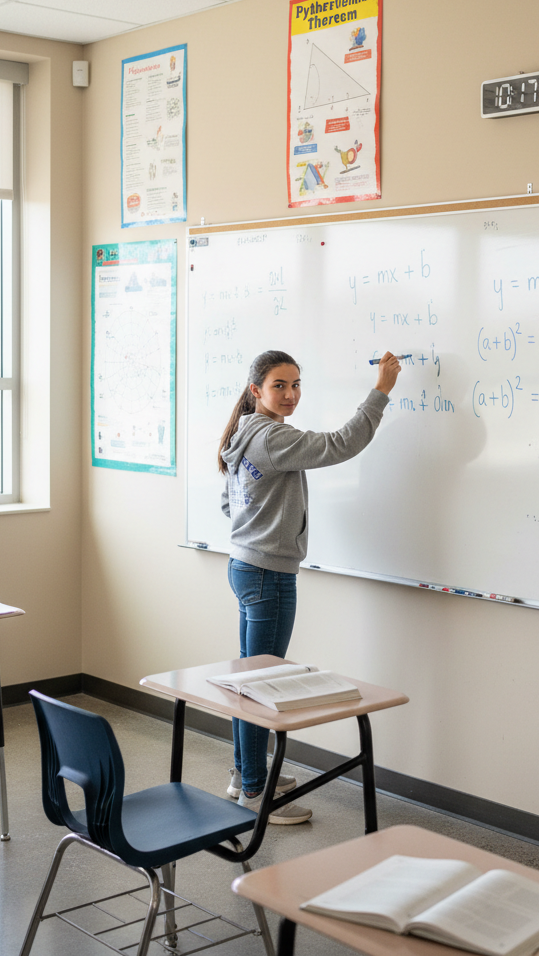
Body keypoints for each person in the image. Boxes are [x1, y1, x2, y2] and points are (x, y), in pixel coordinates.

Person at [218, 349, 401, 823]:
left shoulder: (241, 432)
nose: (291, 394)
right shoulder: (273, 438)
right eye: (280, 385)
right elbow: (340, 444)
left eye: (297, 384)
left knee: (247, 681)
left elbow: (229, 503)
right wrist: (380, 391)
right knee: (260, 685)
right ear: (256, 389)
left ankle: (245, 772)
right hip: (268, 575)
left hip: (246, 565)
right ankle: (255, 796)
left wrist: (256, 530)